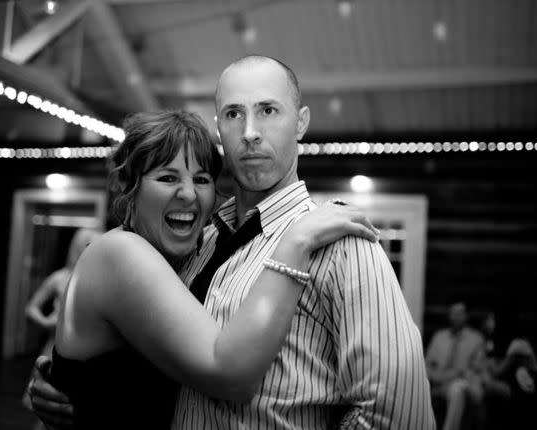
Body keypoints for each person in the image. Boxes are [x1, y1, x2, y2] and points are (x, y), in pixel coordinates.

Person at [29, 55, 435, 429]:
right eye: (234, 114)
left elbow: (398, 415)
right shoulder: (192, 244)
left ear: (301, 122)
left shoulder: (341, 243)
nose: (251, 132)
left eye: (268, 110)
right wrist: (68, 381)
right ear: (219, 125)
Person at [22, 228, 101, 413]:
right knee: (48, 406)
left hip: (88, 354)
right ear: (78, 248)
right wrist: (45, 322)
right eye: (89, 245)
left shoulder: (101, 279)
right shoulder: (59, 278)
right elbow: (31, 308)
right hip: (55, 347)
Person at [426, 301, 486, 430]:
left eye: (460, 313)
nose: (456, 316)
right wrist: (437, 376)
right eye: (453, 313)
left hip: (464, 385)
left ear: (466, 316)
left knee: (457, 389)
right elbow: (427, 366)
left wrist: (459, 374)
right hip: (440, 383)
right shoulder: (439, 337)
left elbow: (476, 369)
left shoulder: (476, 339)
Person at [480, 310, 537, 428]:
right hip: (516, 384)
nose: (487, 322)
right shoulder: (502, 342)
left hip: (529, 387)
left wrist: (488, 361)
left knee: (488, 386)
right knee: (486, 386)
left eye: (491, 319)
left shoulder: (518, 344)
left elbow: (498, 371)